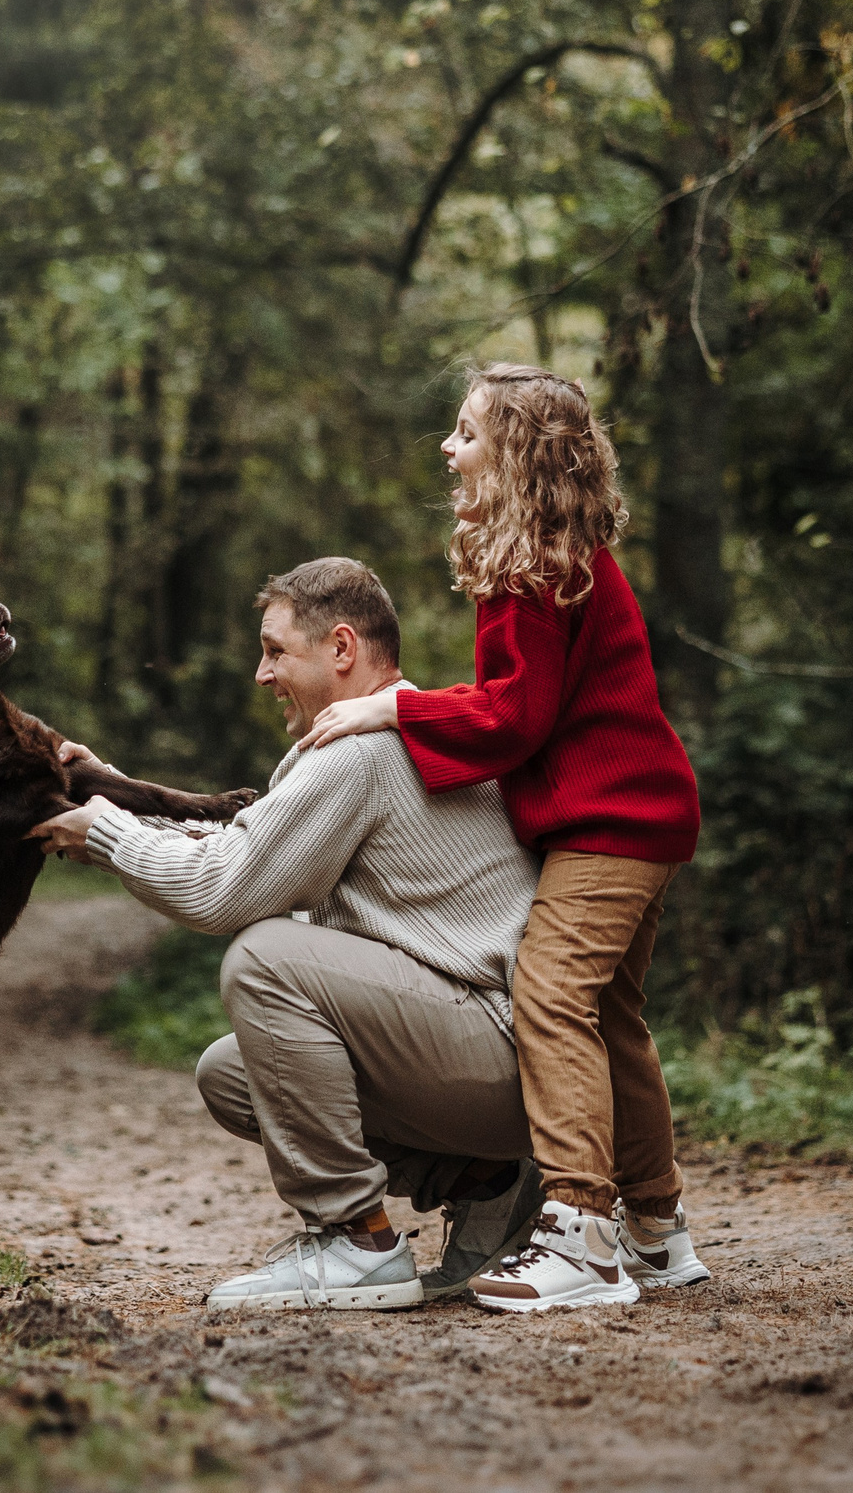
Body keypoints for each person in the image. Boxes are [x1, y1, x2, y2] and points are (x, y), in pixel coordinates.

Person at [28, 557, 548, 1311]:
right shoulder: (391, 733)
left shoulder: (363, 752)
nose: (261, 674)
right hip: (493, 1060)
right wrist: (117, 801)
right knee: (233, 1074)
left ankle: (356, 1242)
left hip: (501, 1055)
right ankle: (489, 1184)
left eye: (275, 651)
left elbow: (222, 893)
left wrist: (108, 834)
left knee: (266, 960)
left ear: (342, 650)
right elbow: (243, 850)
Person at [299, 363, 711, 1312]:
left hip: (612, 822)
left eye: (467, 433)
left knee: (553, 995)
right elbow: (519, 705)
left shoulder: (534, 565)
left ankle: (580, 1231)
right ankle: (656, 1227)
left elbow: (512, 720)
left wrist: (394, 710)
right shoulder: (551, 554)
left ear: (517, 454)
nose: (449, 448)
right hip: (635, 813)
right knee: (611, 1019)